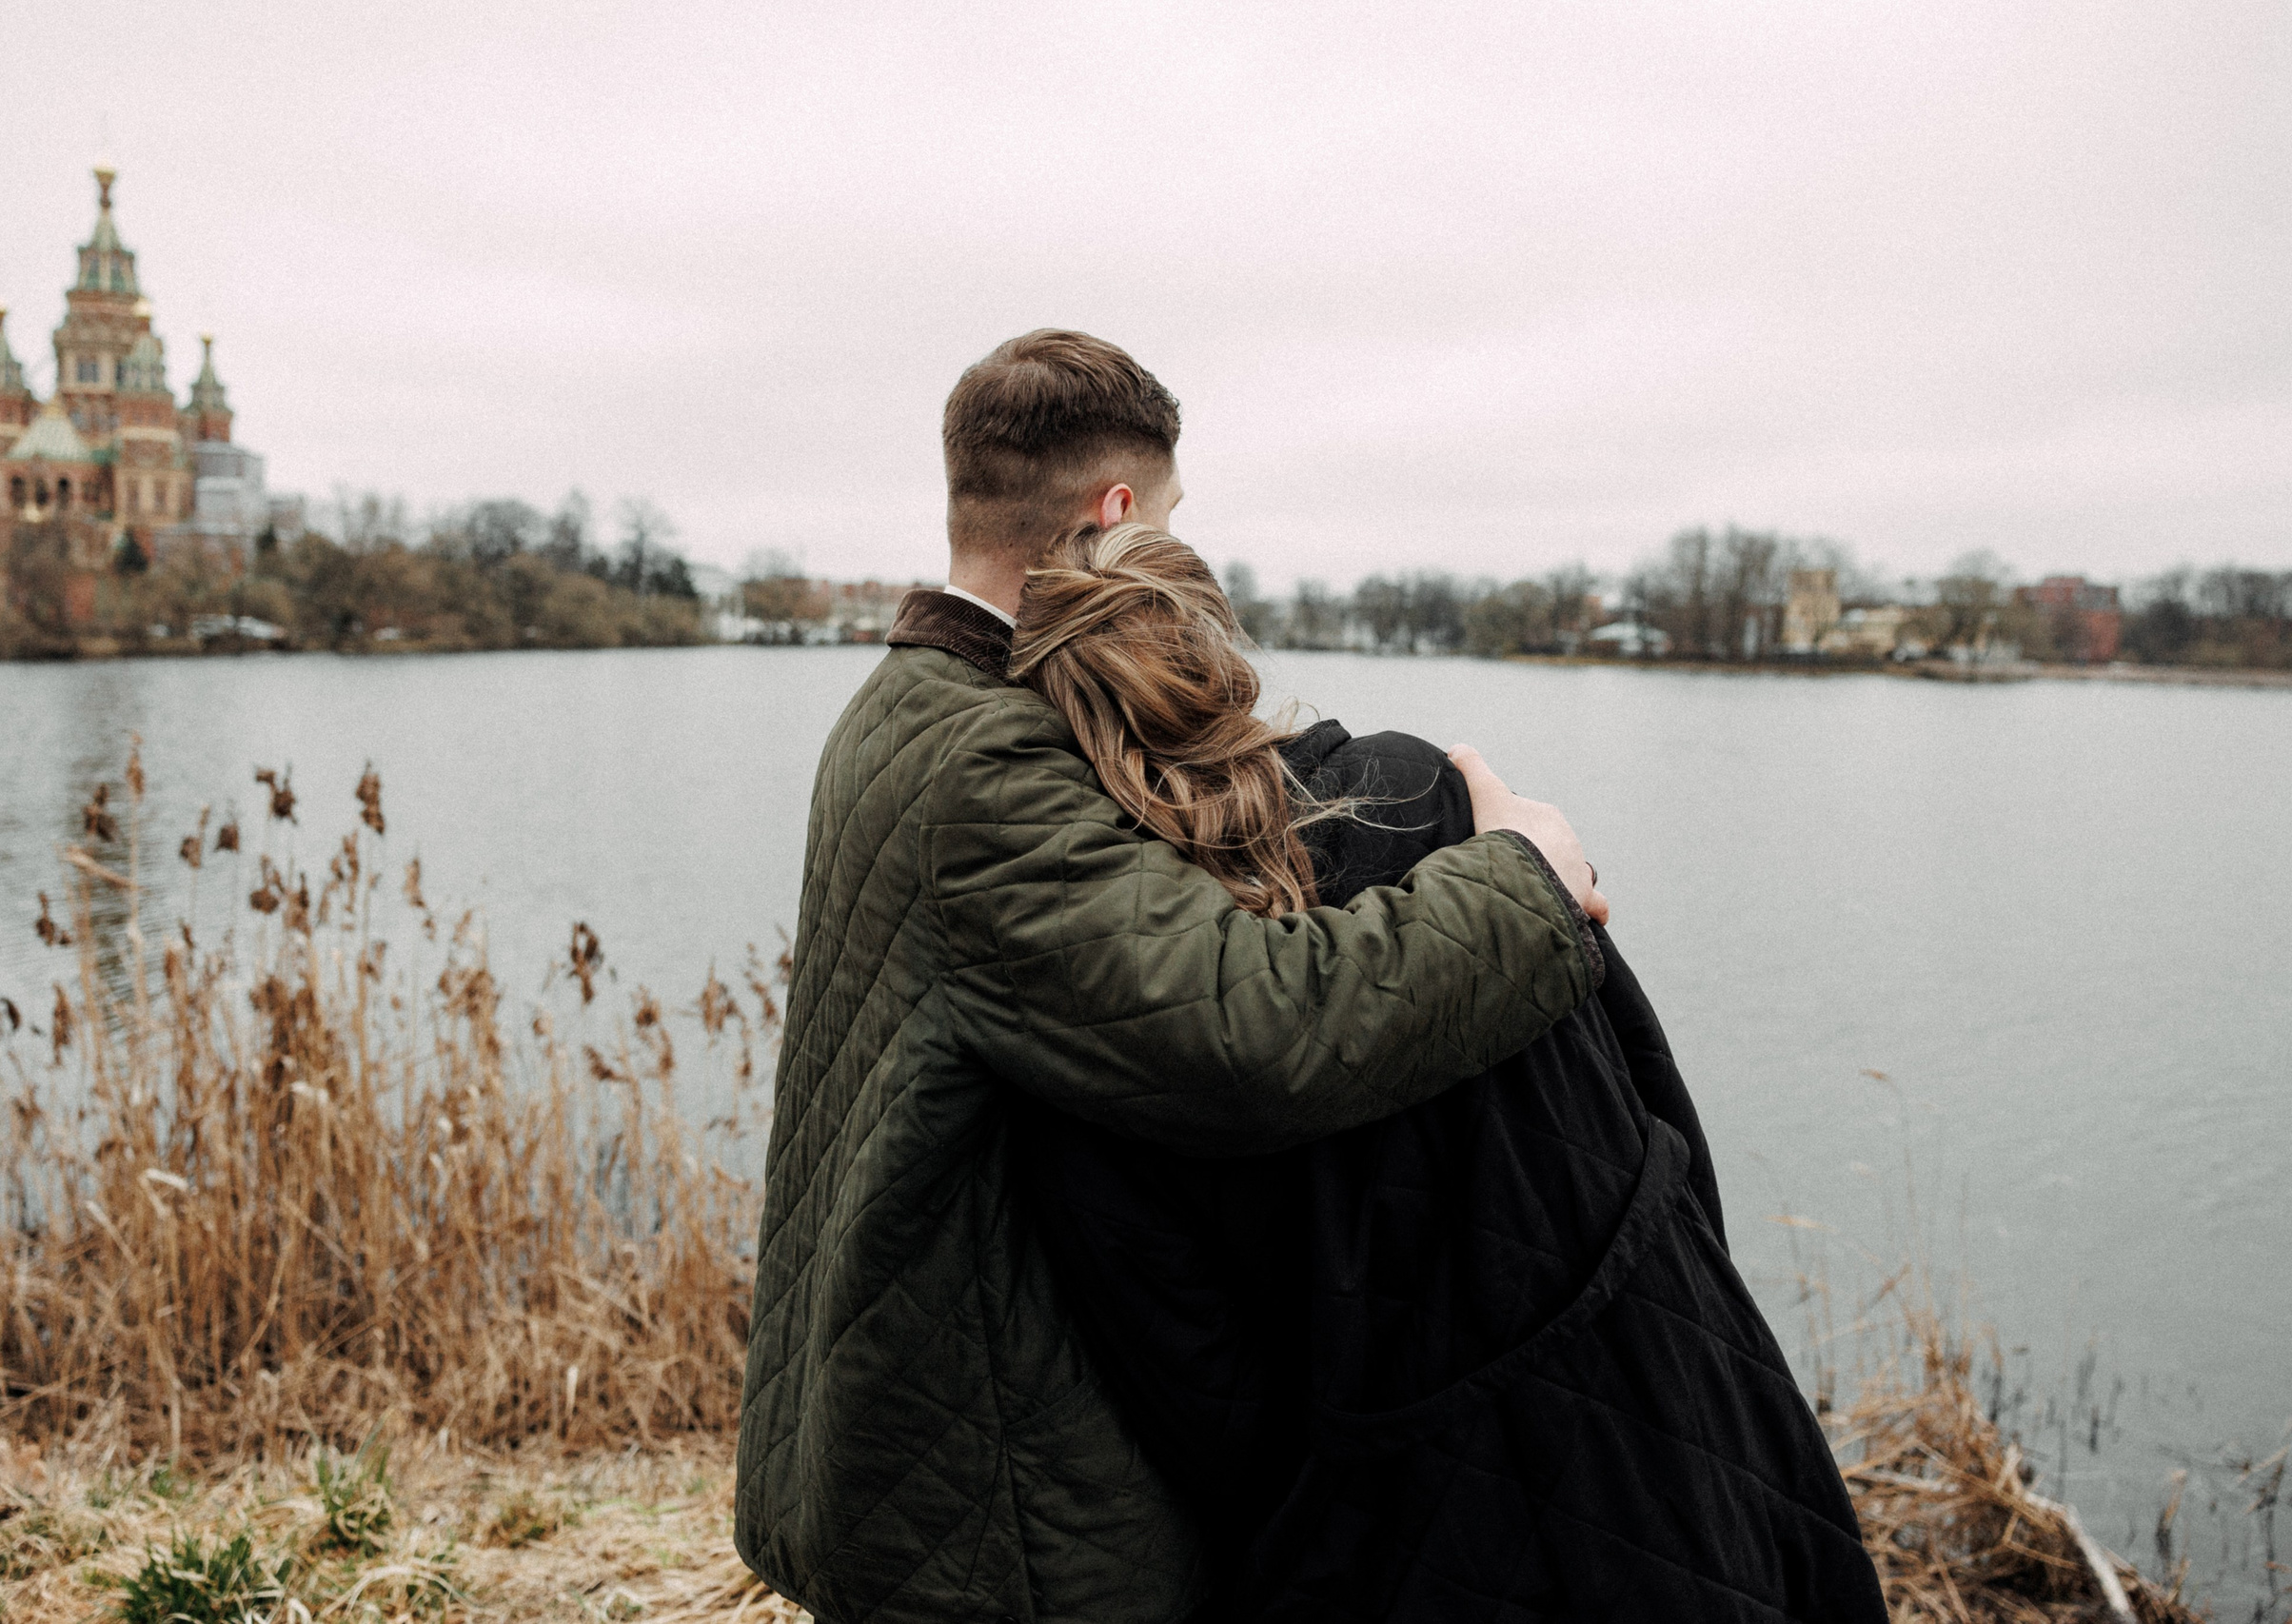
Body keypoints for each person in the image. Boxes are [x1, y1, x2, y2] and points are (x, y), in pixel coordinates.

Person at [735, 330, 1611, 1623]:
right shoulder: (985, 765)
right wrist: (1523, 877)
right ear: (1116, 512)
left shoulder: (903, 705)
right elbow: (1263, 1024)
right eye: (1172, 516)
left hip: (919, 1411)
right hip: (990, 1492)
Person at [1005, 523, 1889, 1623]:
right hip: (1673, 1414)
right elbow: (1655, 1111)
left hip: (1395, 1534)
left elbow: (1198, 1393)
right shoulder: (1430, 794)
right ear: (1223, 653)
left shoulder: (1097, 985)